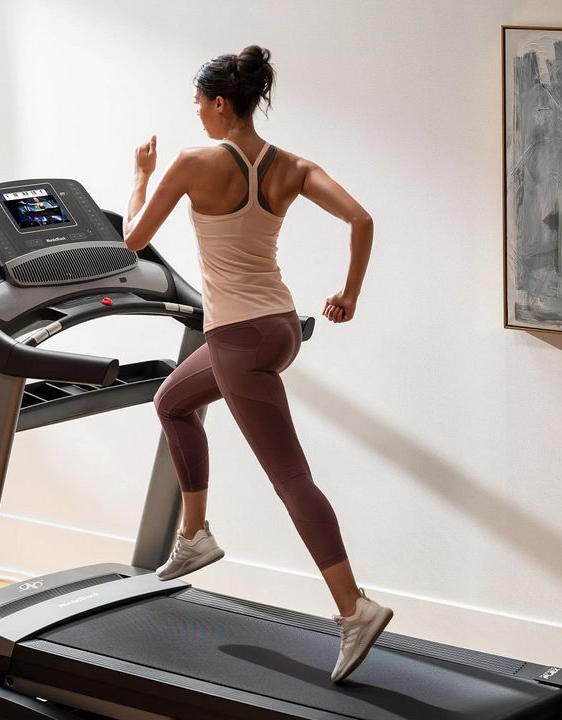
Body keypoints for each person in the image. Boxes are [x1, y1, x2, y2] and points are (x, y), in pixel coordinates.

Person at [120, 45, 386, 683]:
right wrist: (348, 294)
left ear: (219, 102)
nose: (198, 117)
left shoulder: (191, 164)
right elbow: (362, 218)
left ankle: (355, 609)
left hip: (239, 338)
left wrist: (137, 176)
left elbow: (130, 241)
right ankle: (195, 537)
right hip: (280, 328)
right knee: (172, 401)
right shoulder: (291, 165)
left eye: (200, 105)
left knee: (292, 479)